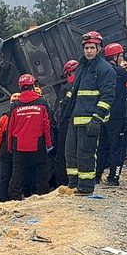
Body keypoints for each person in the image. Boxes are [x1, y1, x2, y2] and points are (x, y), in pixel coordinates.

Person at [63, 31, 116, 194]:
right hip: (76, 118)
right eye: (86, 48)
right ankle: (73, 184)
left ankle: (86, 187)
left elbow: (108, 96)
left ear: (99, 48)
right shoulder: (82, 68)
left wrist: (97, 119)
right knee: (70, 154)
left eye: (92, 47)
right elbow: (75, 90)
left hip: (90, 120)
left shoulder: (105, 69)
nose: (89, 51)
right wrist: (64, 108)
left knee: (85, 154)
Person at [96, 43, 127, 186]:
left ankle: (96, 176)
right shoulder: (119, 72)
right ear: (115, 57)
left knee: (102, 147)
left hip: (103, 114)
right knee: (116, 148)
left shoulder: (100, 71)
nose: (122, 58)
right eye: (121, 55)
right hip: (118, 116)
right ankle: (113, 177)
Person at [6, 73, 53, 199]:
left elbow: (10, 128)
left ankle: (14, 196)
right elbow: (46, 126)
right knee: (41, 170)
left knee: (17, 172)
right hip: (38, 142)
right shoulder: (42, 103)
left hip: (19, 144)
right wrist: (49, 144)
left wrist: (10, 146)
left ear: (21, 87)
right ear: (33, 86)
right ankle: (42, 195)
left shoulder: (15, 105)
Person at [50, 59, 79, 187]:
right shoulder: (87, 84)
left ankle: (63, 183)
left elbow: (58, 112)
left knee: (63, 155)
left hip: (66, 126)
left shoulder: (66, 89)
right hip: (82, 125)